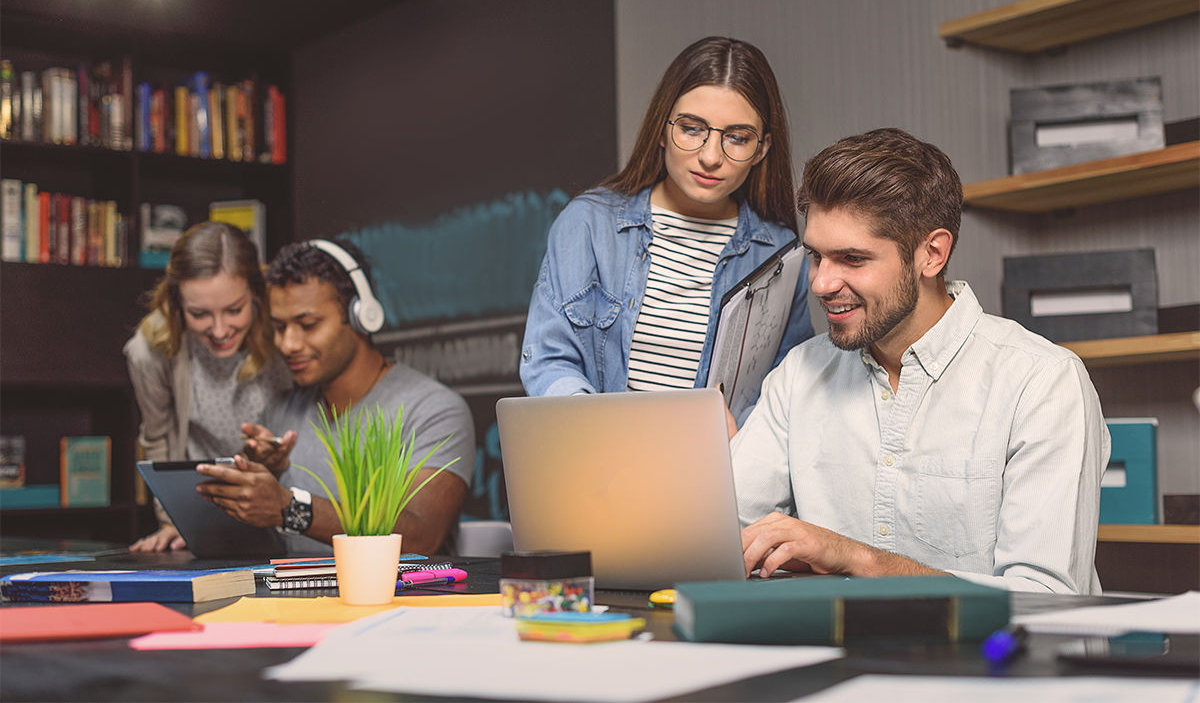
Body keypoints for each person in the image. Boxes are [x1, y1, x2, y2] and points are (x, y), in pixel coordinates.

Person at [734, 127, 1111, 594]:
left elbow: (1048, 600)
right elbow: (718, 537)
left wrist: (856, 559)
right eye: (816, 256)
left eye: (852, 258)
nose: (821, 284)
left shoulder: (1042, 382)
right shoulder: (798, 374)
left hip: (991, 667)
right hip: (836, 661)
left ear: (932, 253)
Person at [520, 36, 814, 420]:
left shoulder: (780, 253)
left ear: (761, 149)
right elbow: (548, 360)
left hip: (717, 473)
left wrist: (742, 443)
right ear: (662, 129)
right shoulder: (589, 225)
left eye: (737, 138)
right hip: (598, 467)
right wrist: (599, 439)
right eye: (692, 129)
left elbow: (785, 392)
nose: (710, 157)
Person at [193, 239, 476, 556]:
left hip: (399, 603)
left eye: (308, 324)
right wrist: (259, 475)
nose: (288, 344)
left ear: (361, 317)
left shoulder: (433, 410)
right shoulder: (281, 412)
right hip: (294, 603)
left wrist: (290, 507)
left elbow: (420, 537)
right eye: (279, 327)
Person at [125, 221, 293, 552]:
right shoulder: (151, 349)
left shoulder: (285, 331)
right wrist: (172, 520)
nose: (219, 330)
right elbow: (157, 439)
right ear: (176, 302)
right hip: (206, 516)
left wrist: (273, 456)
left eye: (234, 310)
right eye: (200, 313)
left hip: (288, 506)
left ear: (255, 293)